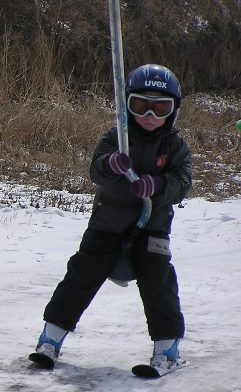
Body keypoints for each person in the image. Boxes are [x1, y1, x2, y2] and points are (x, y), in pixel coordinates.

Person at [29, 64, 192, 373]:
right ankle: (49, 340)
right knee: (80, 277)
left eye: (160, 108)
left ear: (173, 111)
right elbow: (95, 171)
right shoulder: (116, 137)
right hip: (107, 224)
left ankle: (167, 350)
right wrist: (110, 163)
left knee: (159, 285)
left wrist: (159, 185)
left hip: (152, 228)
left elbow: (183, 183)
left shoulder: (175, 147)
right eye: (141, 105)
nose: (150, 115)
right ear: (126, 104)